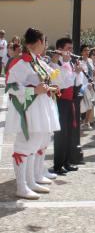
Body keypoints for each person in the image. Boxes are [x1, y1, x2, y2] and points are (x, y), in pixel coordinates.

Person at [5, 28, 60, 198]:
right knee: (25, 144)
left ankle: (31, 180)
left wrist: (50, 86)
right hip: (28, 109)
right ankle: (22, 186)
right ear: (37, 43)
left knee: (38, 142)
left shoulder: (36, 61)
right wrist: (34, 90)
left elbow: (49, 79)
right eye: (44, 41)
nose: (45, 45)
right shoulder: (21, 62)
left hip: (40, 106)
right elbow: (11, 86)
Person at [51, 39, 84, 175]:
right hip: (60, 101)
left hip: (70, 101)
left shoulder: (68, 63)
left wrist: (78, 72)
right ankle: (58, 165)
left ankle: (66, 162)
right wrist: (69, 68)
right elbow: (61, 83)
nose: (70, 51)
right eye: (68, 48)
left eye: (71, 48)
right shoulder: (53, 64)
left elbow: (76, 82)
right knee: (61, 134)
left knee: (70, 133)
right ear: (60, 49)